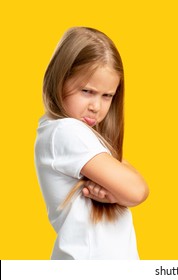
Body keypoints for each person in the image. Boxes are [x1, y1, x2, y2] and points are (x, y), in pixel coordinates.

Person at [34, 27, 149, 260]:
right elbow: (137, 190)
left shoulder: (74, 133)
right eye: (87, 91)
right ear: (59, 79)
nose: (97, 106)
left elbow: (130, 189)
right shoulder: (66, 131)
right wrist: (120, 191)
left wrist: (114, 194)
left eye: (107, 96)